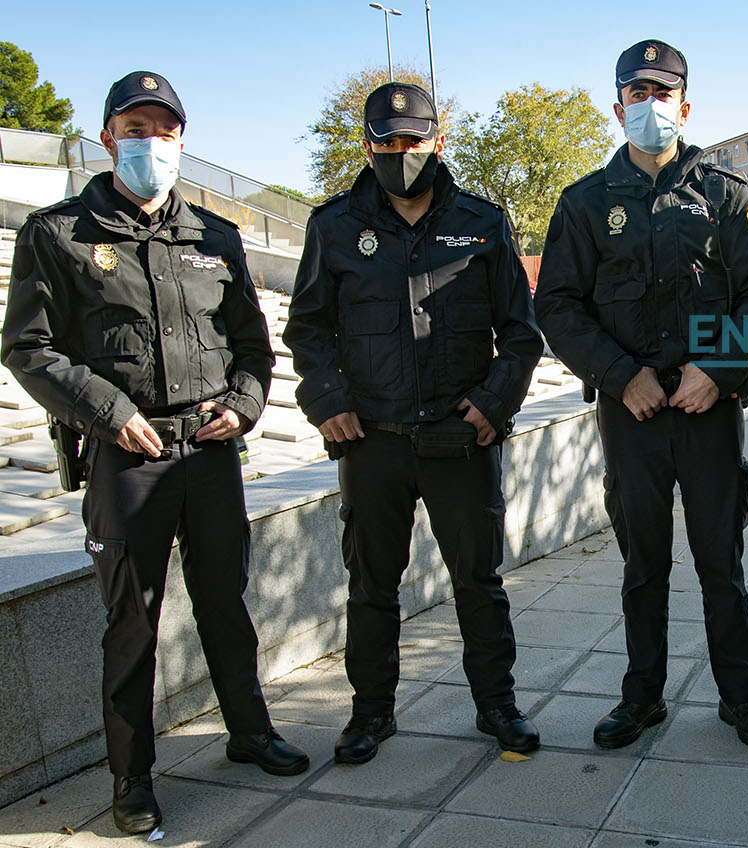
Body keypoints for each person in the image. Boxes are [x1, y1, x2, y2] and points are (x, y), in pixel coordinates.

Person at [1, 71, 308, 834]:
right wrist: (109, 414)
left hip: (208, 454)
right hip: (127, 458)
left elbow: (251, 346)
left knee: (225, 602)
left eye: (163, 132)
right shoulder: (58, 233)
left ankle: (249, 732)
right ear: (107, 137)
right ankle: (131, 779)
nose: (150, 143)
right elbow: (28, 349)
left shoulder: (215, 234)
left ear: (181, 141)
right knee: (132, 622)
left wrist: (241, 408)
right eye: (135, 129)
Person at [535, 40, 748, 750]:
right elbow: (558, 306)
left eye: (661, 92)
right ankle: (641, 699)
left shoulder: (726, 196)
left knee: (719, 561)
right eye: (636, 95)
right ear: (617, 109)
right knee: (642, 564)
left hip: (709, 409)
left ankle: (741, 700)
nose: (649, 106)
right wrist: (621, 375)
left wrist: (721, 368)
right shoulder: (585, 203)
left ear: (685, 104)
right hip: (633, 412)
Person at [284, 81, 543, 765]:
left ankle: (497, 707)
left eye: (414, 140)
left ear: (438, 139)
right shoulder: (332, 225)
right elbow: (307, 330)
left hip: (460, 441)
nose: (401, 153)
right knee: (371, 588)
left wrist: (492, 405)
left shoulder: (484, 222)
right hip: (372, 443)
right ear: (367, 145)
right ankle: (370, 714)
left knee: (478, 583)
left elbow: (520, 334)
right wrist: (326, 398)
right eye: (387, 142)